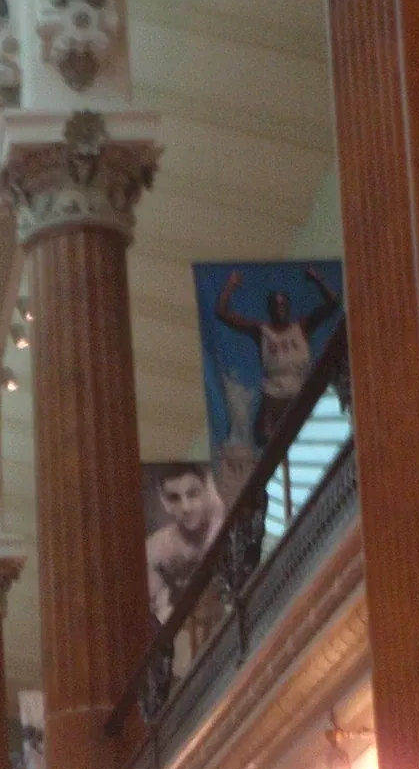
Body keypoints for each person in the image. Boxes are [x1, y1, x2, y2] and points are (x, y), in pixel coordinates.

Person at [214, 266, 342, 444]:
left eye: (283, 304)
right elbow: (222, 313)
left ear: (288, 307)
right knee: (263, 438)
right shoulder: (261, 331)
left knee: (309, 439)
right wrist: (230, 285)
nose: (279, 308)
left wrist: (317, 279)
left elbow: (333, 304)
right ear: (270, 309)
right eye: (276, 305)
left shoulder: (301, 327)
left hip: (299, 392)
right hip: (273, 395)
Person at [146, 463, 228, 624]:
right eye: (174, 498)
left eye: (193, 494)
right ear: (164, 502)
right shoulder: (155, 550)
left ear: (207, 493)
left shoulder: (225, 533)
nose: (186, 507)